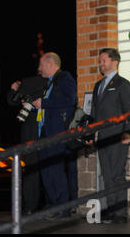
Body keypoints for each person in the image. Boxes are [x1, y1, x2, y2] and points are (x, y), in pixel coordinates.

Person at [87, 48, 130, 224]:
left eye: (103, 60)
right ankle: (111, 210)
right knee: (106, 174)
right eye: (100, 61)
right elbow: (94, 113)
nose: (100, 63)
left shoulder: (122, 84)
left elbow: (128, 110)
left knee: (116, 174)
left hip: (118, 134)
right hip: (102, 136)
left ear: (114, 62)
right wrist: (90, 134)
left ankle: (120, 213)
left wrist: (127, 132)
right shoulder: (98, 85)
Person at [32, 52, 77, 219]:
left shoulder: (65, 78)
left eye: (41, 65)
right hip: (45, 133)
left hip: (57, 133)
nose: (39, 68)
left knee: (56, 170)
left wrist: (44, 103)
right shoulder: (49, 83)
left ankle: (63, 207)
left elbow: (69, 99)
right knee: (47, 170)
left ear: (51, 65)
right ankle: (53, 204)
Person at [7, 76, 47, 214]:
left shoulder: (28, 83)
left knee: (32, 169)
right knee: (47, 168)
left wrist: (14, 89)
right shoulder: (47, 83)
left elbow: (11, 100)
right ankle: (47, 204)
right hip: (42, 133)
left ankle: (30, 205)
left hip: (32, 134)